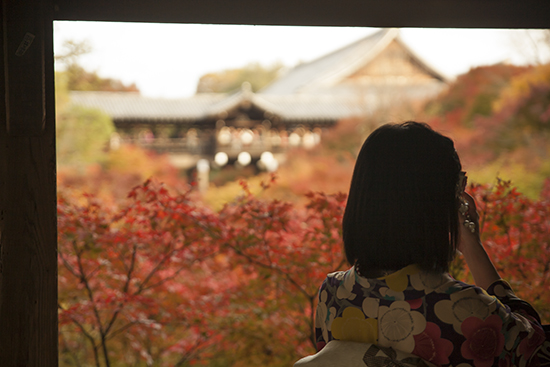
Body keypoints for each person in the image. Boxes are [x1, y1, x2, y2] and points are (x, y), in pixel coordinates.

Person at [314, 122, 550, 367]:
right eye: (458, 184)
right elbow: (537, 349)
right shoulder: (468, 310)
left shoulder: (332, 294)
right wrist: (471, 245)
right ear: (438, 202)